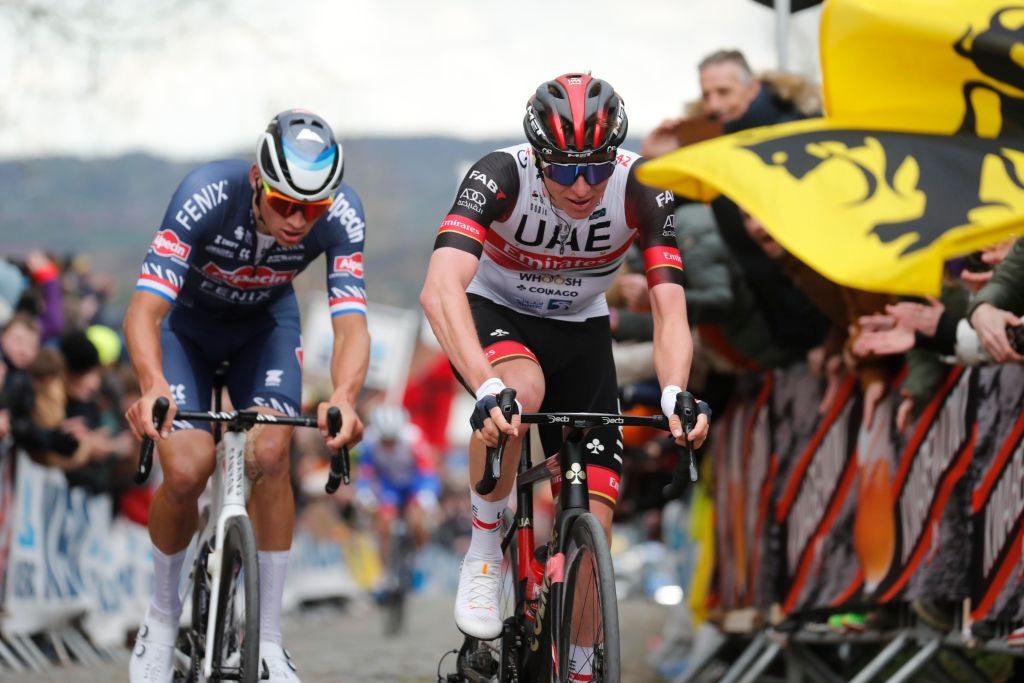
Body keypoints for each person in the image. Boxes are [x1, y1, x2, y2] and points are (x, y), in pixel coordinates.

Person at [419, 73, 710, 676]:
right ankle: (483, 551)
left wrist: (676, 389)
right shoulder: (501, 174)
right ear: (538, 156)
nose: (582, 185)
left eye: (596, 169)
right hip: (497, 314)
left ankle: (579, 662)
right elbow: (439, 288)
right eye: (566, 169)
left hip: (582, 330)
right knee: (519, 395)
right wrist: (485, 381)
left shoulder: (643, 186)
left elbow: (669, 307)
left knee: (596, 511)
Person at [123, 109, 370, 683]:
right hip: (186, 329)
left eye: (311, 210)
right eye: (285, 203)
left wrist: (346, 395)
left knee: (270, 455)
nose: (297, 221)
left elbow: (351, 322)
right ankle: (160, 622)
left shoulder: (342, 212)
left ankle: (269, 640)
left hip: (265, 329)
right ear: (258, 181)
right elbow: (145, 310)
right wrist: (151, 383)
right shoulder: (207, 193)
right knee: (186, 470)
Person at [356, 403, 439, 591]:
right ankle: (386, 573)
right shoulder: (369, 441)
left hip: (413, 485)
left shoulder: (413, 438)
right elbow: (366, 473)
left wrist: (427, 493)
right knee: (384, 524)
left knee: (416, 521)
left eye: (393, 439)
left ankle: (418, 560)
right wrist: (364, 492)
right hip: (389, 486)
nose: (390, 444)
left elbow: (427, 470)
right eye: (385, 440)